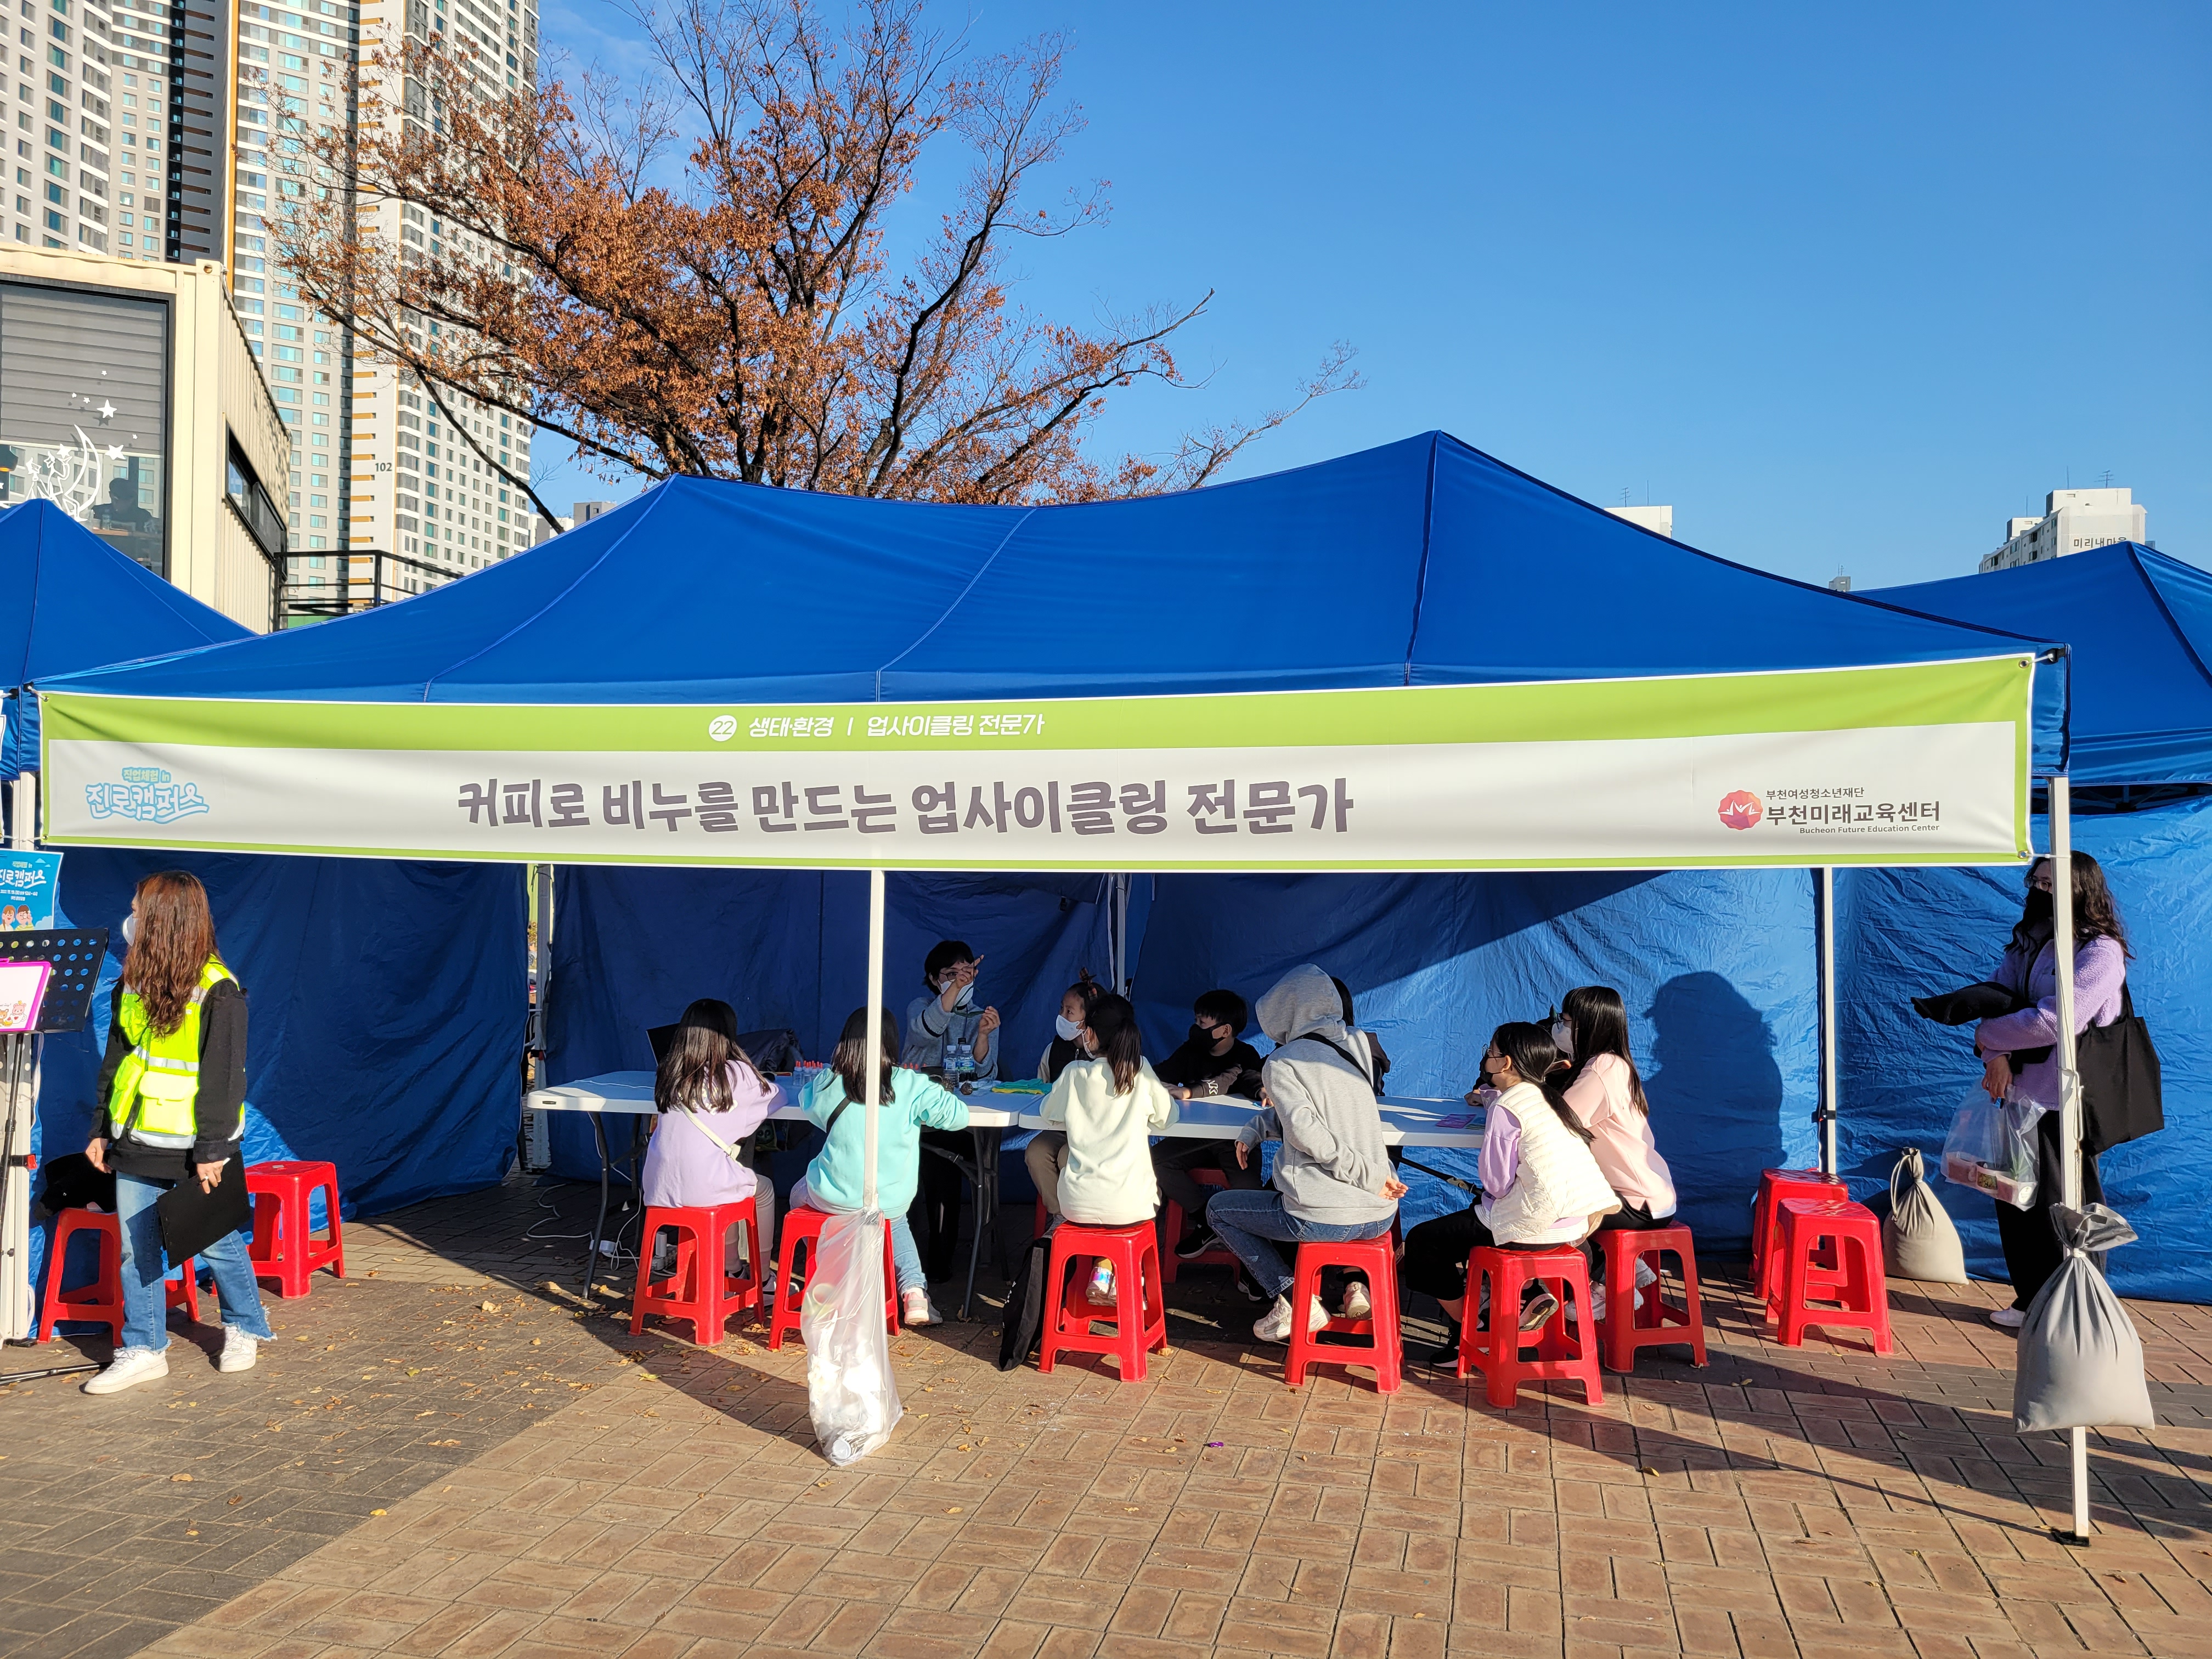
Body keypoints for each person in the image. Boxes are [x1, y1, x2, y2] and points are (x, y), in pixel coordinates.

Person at [80, 871, 273, 1395]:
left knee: (216, 1241)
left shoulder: (219, 989)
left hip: (195, 1148)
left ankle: (244, 1327)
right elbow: (117, 1059)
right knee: (136, 1249)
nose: (131, 919)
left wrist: (213, 1148)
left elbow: (223, 1076)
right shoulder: (133, 981)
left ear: (164, 920)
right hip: (136, 1140)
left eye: (138, 910)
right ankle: (144, 1348)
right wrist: (101, 1128)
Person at [1397, 1022, 1621, 1364]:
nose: (1486, 1056)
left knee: (1423, 1241)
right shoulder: (1547, 1097)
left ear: (1505, 1063)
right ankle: (1527, 1292)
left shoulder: (1507, 1109)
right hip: (1573, 1225)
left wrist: (1493, 1109)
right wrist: (1487, 1098)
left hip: (1534, 1227)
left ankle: (1475, 1327)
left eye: (1490, 1050)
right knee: (1475, 1221)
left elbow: (1497, 1185)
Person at [1204, 964, 1404, 1342]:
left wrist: (1370, 1177)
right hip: (1380, 1215)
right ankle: (1337, 1291)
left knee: (1218, 1210)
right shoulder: (1358, 1043)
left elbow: (1306, 1133)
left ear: (1284, 1011)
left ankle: (1294, 1299)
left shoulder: (1282, 1062)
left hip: (1324, 1215)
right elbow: (1322, 1116)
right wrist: (1257, 1128)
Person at [1972, 852, 2129, 1328]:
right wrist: (1994, 1054)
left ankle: (2074, 1308)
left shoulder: (2100, 952)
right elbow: (1995, 998)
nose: (2041, 891)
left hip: (2066, 1100)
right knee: (2015, 1199)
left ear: (2080, 889)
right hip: (2017, 1093)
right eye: (2036, 882)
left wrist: (1989, 1037)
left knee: (2063, 1205)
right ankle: (2030, 1299)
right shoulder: (2029, 942)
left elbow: (2059, 1019)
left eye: (2051, 883)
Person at [798, 1006, 970, 1325]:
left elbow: (810, 1109)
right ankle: (915, 1293)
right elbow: (958, 1117)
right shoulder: (911, 1084)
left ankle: (830, 1270)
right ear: (892, 1042)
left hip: (834, 1195)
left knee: (799, 1195)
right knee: (894, 1220)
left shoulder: (827, 1081)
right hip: (889, 1199)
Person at [1037, 994, 1178, 1305]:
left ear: (1089, 1034)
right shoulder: (1140, 1070)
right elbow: (1168, 1117)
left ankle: (1105, 1274)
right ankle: (1123, 1279)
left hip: (1076, 1203)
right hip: (1130, 1205)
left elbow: (1048, 1113)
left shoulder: (1074, 1073)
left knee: (1108, 1208)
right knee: (1145, 1201)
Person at [640, 998, 784, 1294]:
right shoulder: (736, 1073)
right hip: (704, 1186)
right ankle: (762, 1280)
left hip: (658, 1187)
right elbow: (776, 1098)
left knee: (728, 1182)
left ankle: (731, 1268)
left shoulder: (669, 1073)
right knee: (761, 1190)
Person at [1556, 986, 1676, 1320]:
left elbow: (1557, 1124)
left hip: (1636, 1202)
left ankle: (1605, 1283)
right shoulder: (1613, 1064)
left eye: (1566, 1022)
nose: (1560, 1030)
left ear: (1588, 1025)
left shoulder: (1602, 1069)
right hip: (1647, 1194)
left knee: (1547, 1215)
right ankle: (1625, 1266)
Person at [902, 940, 998, 1283]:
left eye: (966, 973)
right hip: (915, 1118)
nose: (960, 980)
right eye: (951, 975)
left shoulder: (981, 1015)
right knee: (929, 1155)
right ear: (933, 979)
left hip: (959, 1119)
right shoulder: (920, 1008)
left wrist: (983, 1037)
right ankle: (906, 1256)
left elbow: (986, 1078)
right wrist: (955, 990)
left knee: (944, 1156)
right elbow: (927, 1031)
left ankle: (939, 1261)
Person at [1149, 989, 1266, 1261]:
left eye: (1202, 1022)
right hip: (1195, 1141)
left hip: (1238, 1143)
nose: (1195, 1027)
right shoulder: (1190, 1051)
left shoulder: (1245, 1055)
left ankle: (1256, 1265)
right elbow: (1160, 1073)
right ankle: (1208, 1220)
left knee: (1249, 1194)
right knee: (1154, 1163)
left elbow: (1231, 1080)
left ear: (1225, 1030)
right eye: (1196, 1020)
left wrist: (1190, 1092)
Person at [1024, 974, 1104, 1222]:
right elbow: (1043, 1090)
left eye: (1069, 1011)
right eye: (1061, 1008)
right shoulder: (1054, 1050)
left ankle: (1083, 1219)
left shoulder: (1107, 1053)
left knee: (1067, 1156)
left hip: (1096, 1133)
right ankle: (1060, 1216)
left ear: (1089, 1019)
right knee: (1036, 1152)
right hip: (1060, 1128)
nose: (1061, 1016)